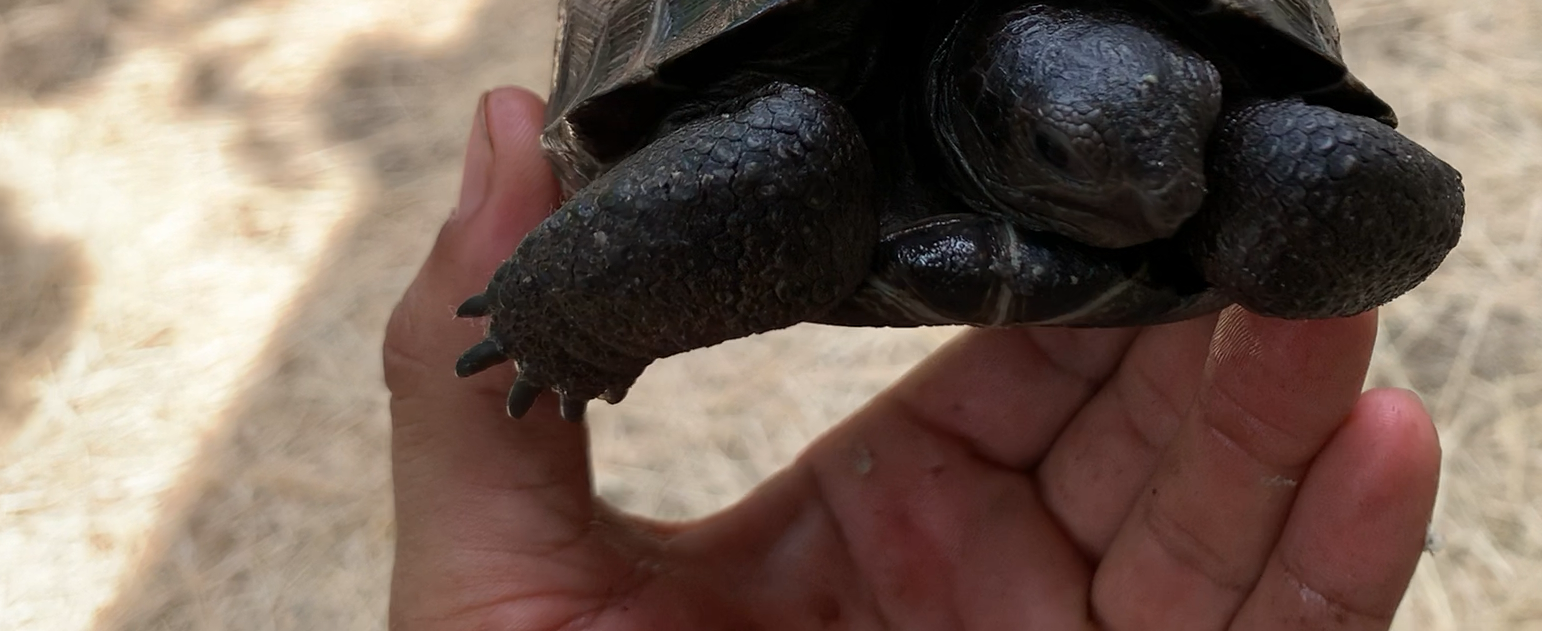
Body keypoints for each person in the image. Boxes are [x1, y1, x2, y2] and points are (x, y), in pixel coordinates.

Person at [385, 87, 1443, 629]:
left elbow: (1400, 192)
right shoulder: (804, 132)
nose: (1168, 194)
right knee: (793, 146)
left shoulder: (1197, 157)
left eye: (1192, 139)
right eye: (1077, 155)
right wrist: (570, 317)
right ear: (981, 113)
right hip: (803, 140)